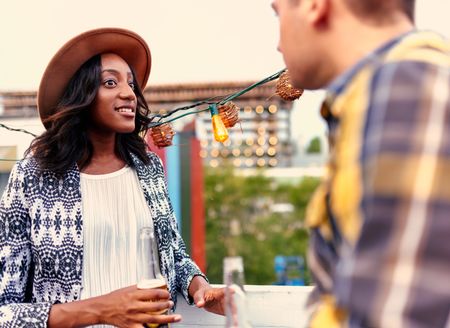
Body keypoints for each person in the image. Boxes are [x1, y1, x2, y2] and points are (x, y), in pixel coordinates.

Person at [0, 28, 225, 327]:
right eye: (110, 82)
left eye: (131, 84)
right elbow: (6, 310)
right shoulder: (32, 176)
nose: (129, 93)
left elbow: (176, 256)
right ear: (80, 95)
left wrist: (202, 288)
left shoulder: (148, 168)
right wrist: (101, 310)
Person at [271, 0, 450, 327]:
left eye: (277, 12)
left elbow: (395, 317)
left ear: (314, 6)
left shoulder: (404, 87)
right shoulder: (381, 91)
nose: (278, 43)